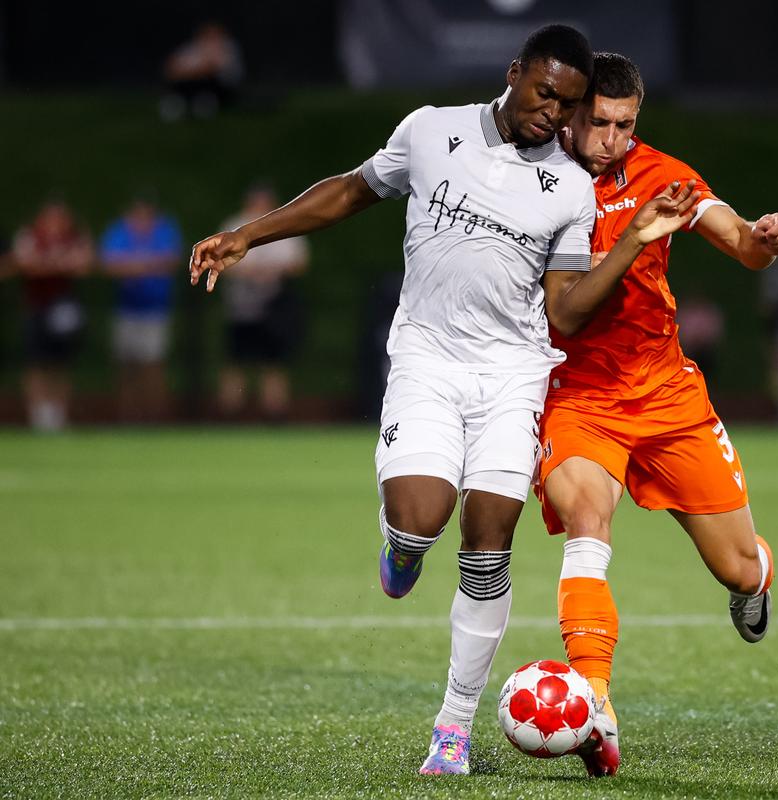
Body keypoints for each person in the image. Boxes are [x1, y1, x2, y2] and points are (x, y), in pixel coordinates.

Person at [188, 25, 699, 777]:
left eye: (568, 106)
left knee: (489, 537)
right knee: (421, 519)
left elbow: (565, 310)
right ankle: (401, 546)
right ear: (515, 72)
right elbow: (351, 190)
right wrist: (248, 237)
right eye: (545, 94)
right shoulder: (431, 131)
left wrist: (630, 243)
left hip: (512, 375)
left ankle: (452, 728)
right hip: (427, 360)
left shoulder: (569, 187)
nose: (553, 114)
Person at [537, 52, 778, 777]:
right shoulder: (535, 178)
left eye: (624, 126)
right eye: (598, 122)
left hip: (666, 396)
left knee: (738, 568)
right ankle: (594, 702)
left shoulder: (662, 175)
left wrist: (762, 240)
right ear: (572, 113)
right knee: (587, 520)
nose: (610, 141)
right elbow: (564, 313)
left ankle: (757, 581)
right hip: (578, 396)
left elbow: (738, 240)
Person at [217, 184, 309, 421]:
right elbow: (220, 263)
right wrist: (251, 273)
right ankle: (230, 415)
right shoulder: (234, 226)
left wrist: (271, 271)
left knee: (273, 364)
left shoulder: (284, 225)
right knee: (236, 363)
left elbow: (299, 263)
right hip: (241, 308)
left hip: (274, 309)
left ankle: (274, 416)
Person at [100, 196, 183, 424]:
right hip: (126, 309)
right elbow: (109, 263)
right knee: (126, 366)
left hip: (156, 309)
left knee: (154, 365)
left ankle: (154, 418)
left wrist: (134, 266)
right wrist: (146, 265)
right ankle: (127, 417)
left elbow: (172, 260)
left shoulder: (164, 230)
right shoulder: (119, 231)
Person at [12, 201, 93, 431]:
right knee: (36, 363)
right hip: (37, 308)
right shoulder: (30, 236)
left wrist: (51, 263)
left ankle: (58, 415)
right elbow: (26, 264)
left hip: (64, 309)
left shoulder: (74, 237)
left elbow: (83, 265)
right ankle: (39, 415)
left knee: (61, 364)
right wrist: (58, 263)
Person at [161, 22, 244, 121]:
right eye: (207, 33)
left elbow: (211, 68)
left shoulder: (227, 47)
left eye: (214, 34)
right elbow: (172, 66)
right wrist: (184, 73)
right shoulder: (193, 47)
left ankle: (203, 103)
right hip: (189, 84)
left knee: (206, 81)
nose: (210, 37)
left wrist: (188, 73)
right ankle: (179, 103)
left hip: (218, 87)